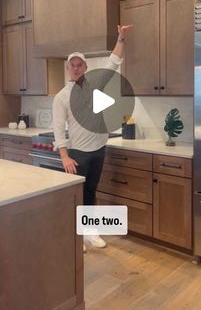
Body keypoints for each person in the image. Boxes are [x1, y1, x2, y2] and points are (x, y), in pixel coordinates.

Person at [53, 24, 134, 250]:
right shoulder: (62, 97)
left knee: (91, 192)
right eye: (73, 66)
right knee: (76, 196)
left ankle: (90, 232)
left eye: (80, 65)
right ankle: (76, 237)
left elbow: (114, 61)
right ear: (68, 69)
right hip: (77, 153)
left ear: (86, 67)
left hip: (98, 150)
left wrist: (121, 37)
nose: (76, 69)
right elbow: (58, 128)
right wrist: (64, 157)